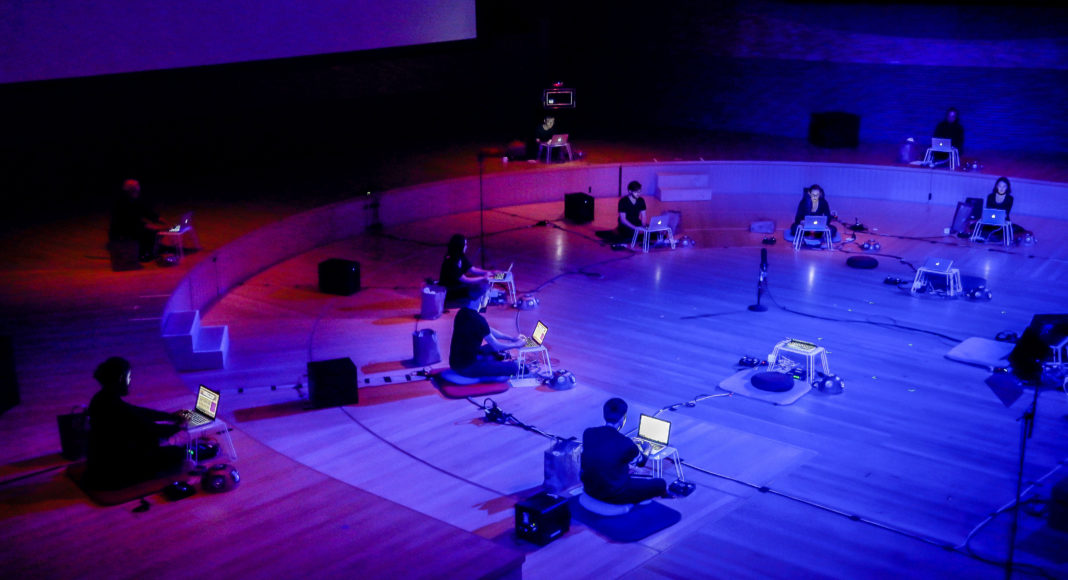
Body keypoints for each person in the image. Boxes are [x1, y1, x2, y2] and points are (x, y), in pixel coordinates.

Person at [86, 357, 188, 489]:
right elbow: (150, 428)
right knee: (178, 453)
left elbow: (138, 412)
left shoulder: (102, 398)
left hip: (104, 461)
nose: (130, 382)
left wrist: (170, 417)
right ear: (121, 378)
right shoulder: (114, 406)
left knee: (157, 445)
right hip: (116, 469)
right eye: (129, 377)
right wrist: (180, 428)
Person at [580, 398, 667, 505]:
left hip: (589, 488)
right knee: (660, 483)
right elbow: (641, 463)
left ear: (604, 414)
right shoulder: (627, 444)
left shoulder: (588, 433)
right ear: (623, 418)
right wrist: (647, 447)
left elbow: (602, 456)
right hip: (613, 494)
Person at [447, 280, 526, 380]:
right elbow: (497, 346)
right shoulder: (478, 320)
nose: (488, 299)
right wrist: (517, 345)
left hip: (455, 362)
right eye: (488, 296)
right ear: (481, 298)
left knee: (489, 347)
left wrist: (510, 339)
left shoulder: (462, 312)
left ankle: (489, 363)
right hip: (467, 367)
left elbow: (488, 330)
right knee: (514, 367)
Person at [108, 179, 166, 262]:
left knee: (153, 231)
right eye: (135, 188)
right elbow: (127, 221)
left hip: (133, 226)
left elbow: (145, 210)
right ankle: (143, 255)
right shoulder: (121, 202)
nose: (138, 190)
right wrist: (146, 226)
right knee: (148, 233)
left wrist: (158, 219)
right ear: (129, 190)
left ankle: (151, 250)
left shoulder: (135, 199)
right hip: (122, 229)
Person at [438, 234, 497, 302]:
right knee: (482, 286)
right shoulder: (451, 261)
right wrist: (483, 278)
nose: (466, 246)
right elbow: (465, 279)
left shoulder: (460, 256)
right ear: (460, 246)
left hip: (458, 285)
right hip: (450, 290)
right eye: (465, 244)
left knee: (483, 285)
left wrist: (489, 272)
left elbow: (472, 269)